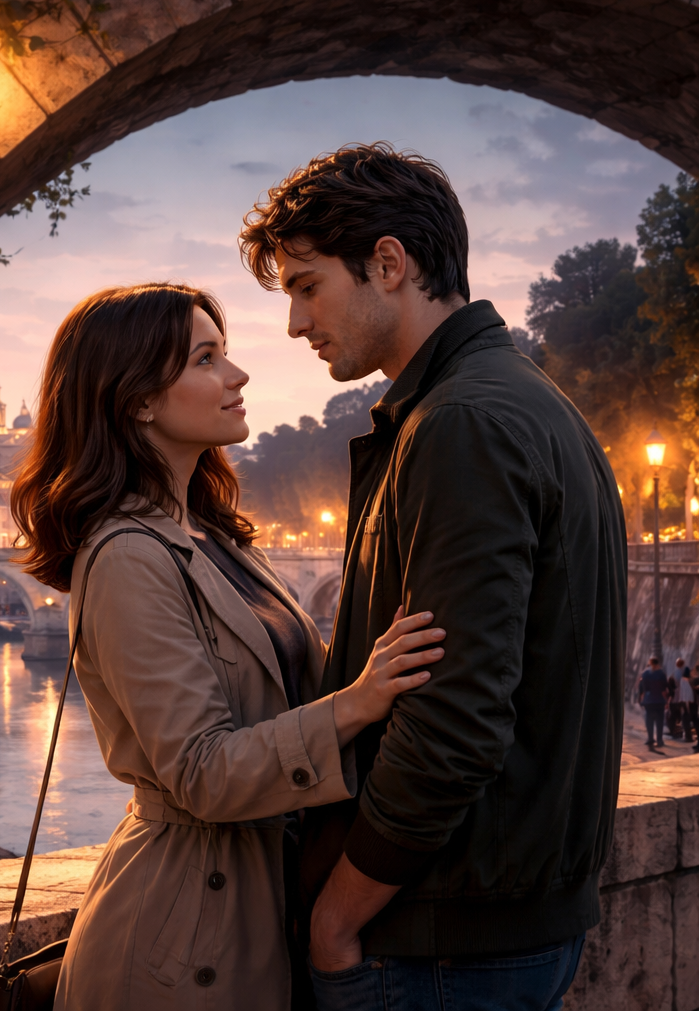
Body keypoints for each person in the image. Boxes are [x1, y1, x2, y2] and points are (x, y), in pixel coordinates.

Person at [240, 143, 627, 1010]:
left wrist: (335, 921)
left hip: (437, 939)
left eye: (307, 287)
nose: (297, 325)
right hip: (491, 921)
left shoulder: (462, 425)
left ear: (388, 264)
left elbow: (452, 722)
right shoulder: (525, 402)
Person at [9, 283, 446, 1010]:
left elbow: (274, 692)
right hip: (179, 940)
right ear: (138, 399)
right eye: (206, 358)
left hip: (257, 905)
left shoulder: (213, 539)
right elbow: (202, 773)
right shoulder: (125, 557)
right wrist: (357, 703)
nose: (238, 375)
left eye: (225, 353)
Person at [639, 657, 670, 748]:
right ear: (657, 664)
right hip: (659, 700)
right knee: (659, 721)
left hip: (649, 700)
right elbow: (664, 689)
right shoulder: (661, 674)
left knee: (649, 720)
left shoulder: (645, 673)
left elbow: (643, 688)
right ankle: (659, 740)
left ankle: (650, 738)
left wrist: (642, 698)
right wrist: (667, 701)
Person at [679, 667, 697, 744]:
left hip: (685, 703)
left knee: (685, 720)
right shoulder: (687, 682)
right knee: (688, 720)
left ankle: (687, 736)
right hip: (688, 703)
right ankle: (688, 737)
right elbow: (687, 695)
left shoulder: (683, 681)